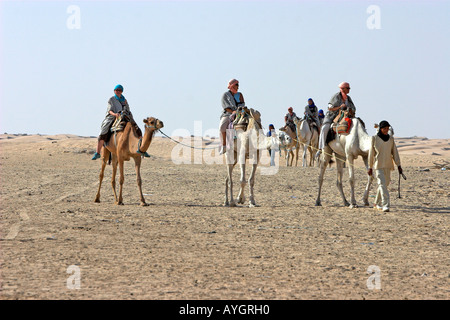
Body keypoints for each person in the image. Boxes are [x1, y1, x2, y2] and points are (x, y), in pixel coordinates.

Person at [92, 84, 149, 160]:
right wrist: (115, 114)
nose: (118, 92)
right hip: (112, 116)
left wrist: (126, 113)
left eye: (119, 90)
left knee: (137, 129)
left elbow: (128, 109)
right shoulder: (111, 99)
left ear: (122, 91)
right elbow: (109, 110)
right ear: (114, 91)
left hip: (124, 116)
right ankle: (98, 152)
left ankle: (142, 149)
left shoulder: (124, 100)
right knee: (104, 130)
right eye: (116, 90)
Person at [368, 120, 403, 212]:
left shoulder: (391, 139)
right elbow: (371, 154)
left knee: (384, 185)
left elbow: (395, 152)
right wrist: (370, 167)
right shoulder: (374, 138)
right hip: (378, 166)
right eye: (384, 128)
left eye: (387, 128)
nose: (386, 130)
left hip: (388, 165)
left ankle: (376, 203)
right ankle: (385, 204)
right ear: (380, 129)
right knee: (382, 184)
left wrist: (398, 165)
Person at [316, 82, 356, 157]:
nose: (349, 90)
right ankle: (320, 148)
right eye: (347, 88)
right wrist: (340, 107)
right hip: (332, 116)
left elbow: (354, 108)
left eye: (349, 88)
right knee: (324, 128)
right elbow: (330, 108)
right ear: (343, 89)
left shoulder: (348, 98)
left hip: (345, 116)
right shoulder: (335, 97)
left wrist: (350, 109)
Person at [219, 79, 245, 154]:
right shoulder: (225, 95)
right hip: (228, 114)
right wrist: (233, 111)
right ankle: (224, 145)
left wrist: (240, 111)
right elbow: (225, 106)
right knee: (222, 127)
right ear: (232, 85)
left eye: (238, 85)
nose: (238, 87)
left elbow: (242, 104)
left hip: (239, 113)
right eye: (237, 85)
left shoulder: (240, 95)